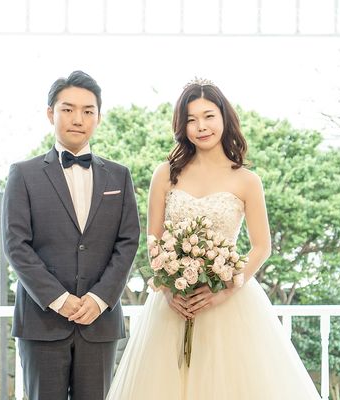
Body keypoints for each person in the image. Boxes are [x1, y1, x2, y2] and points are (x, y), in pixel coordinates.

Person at [106, 79, 321, 399]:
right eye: (191, 119)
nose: (201, 126)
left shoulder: (247, 180)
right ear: (182, 126)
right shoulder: (165, 174)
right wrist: (169, 290)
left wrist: (224, 290)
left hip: (229, 303)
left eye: (208, 116)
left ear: (224, 117)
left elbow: (262, 247)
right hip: (173, 305)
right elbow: (154, 241)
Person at [2, 70, 140, 400]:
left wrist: (99, 298)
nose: (78, 119)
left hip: (99, 323)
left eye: (88, 111)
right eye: (68, 109)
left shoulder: (119, 176)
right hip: (42, 322)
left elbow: (128, 242)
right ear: (51, 113)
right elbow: (15, 245)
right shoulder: (23, 174)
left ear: (98, 117)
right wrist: (59, 299)